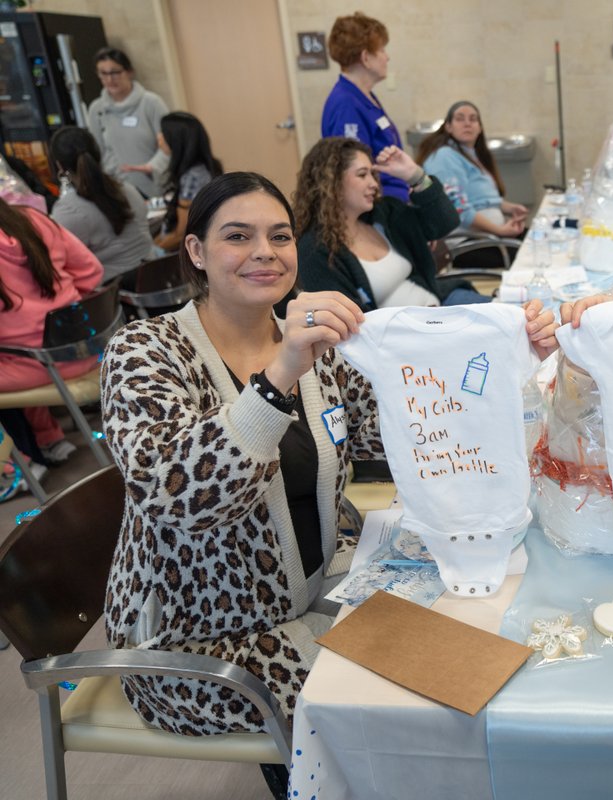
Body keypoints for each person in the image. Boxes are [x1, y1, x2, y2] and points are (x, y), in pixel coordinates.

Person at [101, 171, 559, 739]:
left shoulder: (317, 347)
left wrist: (511, 361)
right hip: (200, 641)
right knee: (408, 712)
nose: (264, 253)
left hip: (327, 587)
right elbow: (179, 497)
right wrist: (279, 377)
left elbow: (409, 428)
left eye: (280, 236)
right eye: (238, 237)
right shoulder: (145, 351)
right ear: (195, 250)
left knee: (489, 653)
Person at [294, 137, 489, 309]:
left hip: (440, 302)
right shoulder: (315, 249)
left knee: (513, 316)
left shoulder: (383, 213)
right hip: (403, 337)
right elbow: (352, 328)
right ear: (331, 182)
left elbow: (445, 222)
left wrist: (415, 175)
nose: (373, 183)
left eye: (373, 174)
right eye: (362, 175)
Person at [0, 196, 103, 466]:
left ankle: (14, 469)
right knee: (19, 349)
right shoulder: (34, 218)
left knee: (17, 350)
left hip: (39, 365)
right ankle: (48, 439)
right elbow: (92, 271)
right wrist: (61, 311)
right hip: (88, 348)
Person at [321, 12, 409, 201]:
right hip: (378, 206)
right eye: (382, 50)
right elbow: (353, 174)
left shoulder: (364, 96)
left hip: (394, 197)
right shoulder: (346, 105)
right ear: (366, 57)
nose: (387, 57)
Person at [49, 126, 154, 285]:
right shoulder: (128, 190)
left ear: (59, 166)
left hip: (115, 297)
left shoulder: (69, 210)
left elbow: (55, 261)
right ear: (98, 153)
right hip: (154, 280)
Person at [416, 101, 528, 238]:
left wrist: (509, 208)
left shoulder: (472, 155)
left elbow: (481, 198)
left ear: (480, 128)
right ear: (448, 127)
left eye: (473, 119)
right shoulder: (444, 156)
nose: (467, 123)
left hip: (488, 236)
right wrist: (499, 231)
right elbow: (455, 207)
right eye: (460, 119)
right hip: (468, 242)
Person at [85, 47, 168, 198]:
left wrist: (151, 167)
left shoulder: (151, 103)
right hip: (118, 189)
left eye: (115, 72)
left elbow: (169, 145)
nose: (110, 79)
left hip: (153, 186)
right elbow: (97, 152)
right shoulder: (96, 109)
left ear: (129, 72)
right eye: (103, 73)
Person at [153, 112, 223, 253]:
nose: (158, 137)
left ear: (177, 140)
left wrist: (152, 252)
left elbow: (181, 233)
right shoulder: (204, 167)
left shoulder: (193, 177)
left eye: (163, 133)